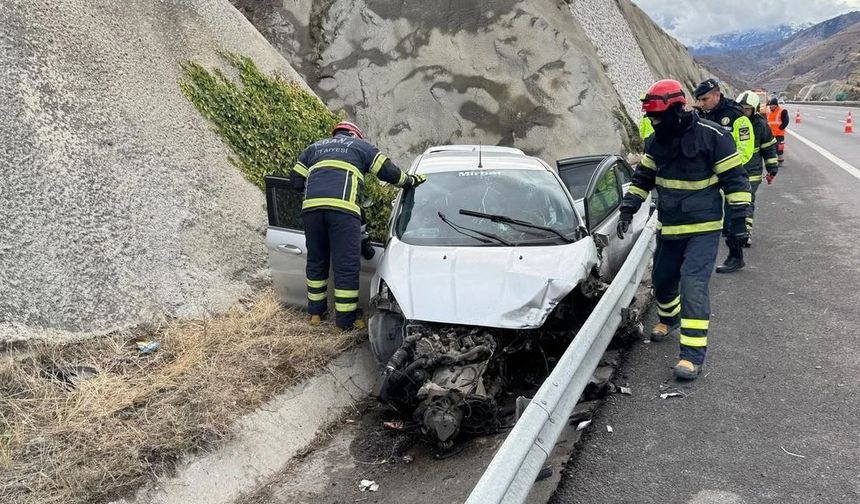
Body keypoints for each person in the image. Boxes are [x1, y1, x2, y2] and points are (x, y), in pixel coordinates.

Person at [617, 79, 751, 380]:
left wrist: (740, 221)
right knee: (663, 280)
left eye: (658, 117)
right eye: (651, 118)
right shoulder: (655, 142)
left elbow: (736, 181)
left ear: (677, 110)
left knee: (693, 286)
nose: (654, 123)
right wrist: (628, 207)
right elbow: (642, 178)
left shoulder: (713, 137)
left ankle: (691, 356)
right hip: (670, 224)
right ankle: (669, 318)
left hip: (704, 227)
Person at [290, 121, 426, 330]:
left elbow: (296, 181)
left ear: (335, 135)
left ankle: (316, 314)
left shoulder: (313, 148)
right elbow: (389, 172)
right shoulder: (361, 147)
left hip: (312, 212)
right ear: (355, 135)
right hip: (344, 212)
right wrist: (411, 180)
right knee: (346, 267)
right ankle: (345, 323)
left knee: (317, 262)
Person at [694, 78, 754, 273]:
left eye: (705, 99)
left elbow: (745, 149)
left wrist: (726, 168)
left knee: (732, 220)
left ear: (717, 95)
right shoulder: (699, 115)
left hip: (730, 176)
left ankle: (736, 257)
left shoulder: (737, 116)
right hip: (706, 177)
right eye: (699, 100)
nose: (701, 103)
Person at [735, 91, 779, 250]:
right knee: (731, 203)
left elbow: (769, 149)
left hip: (752, 173)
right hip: (732, 171)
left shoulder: (761, 125)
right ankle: (733, 228)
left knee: (747, 201)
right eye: (741, 108)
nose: (744, 112)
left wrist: (772, 168)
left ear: (754, 110)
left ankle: (745, 232)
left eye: (747, 109)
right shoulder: (732, 122)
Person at [767, 97, 789, 165]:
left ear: (776, 105)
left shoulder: (782, 111)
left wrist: (780, 128)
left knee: (779, 148)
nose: (770, 106)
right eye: (770, 105)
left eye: (772, 105)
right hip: (771, 134)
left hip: (779, 134)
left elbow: (786, 121)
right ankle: (773, 162)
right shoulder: (769, 112)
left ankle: (780, 161)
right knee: (772, 148)